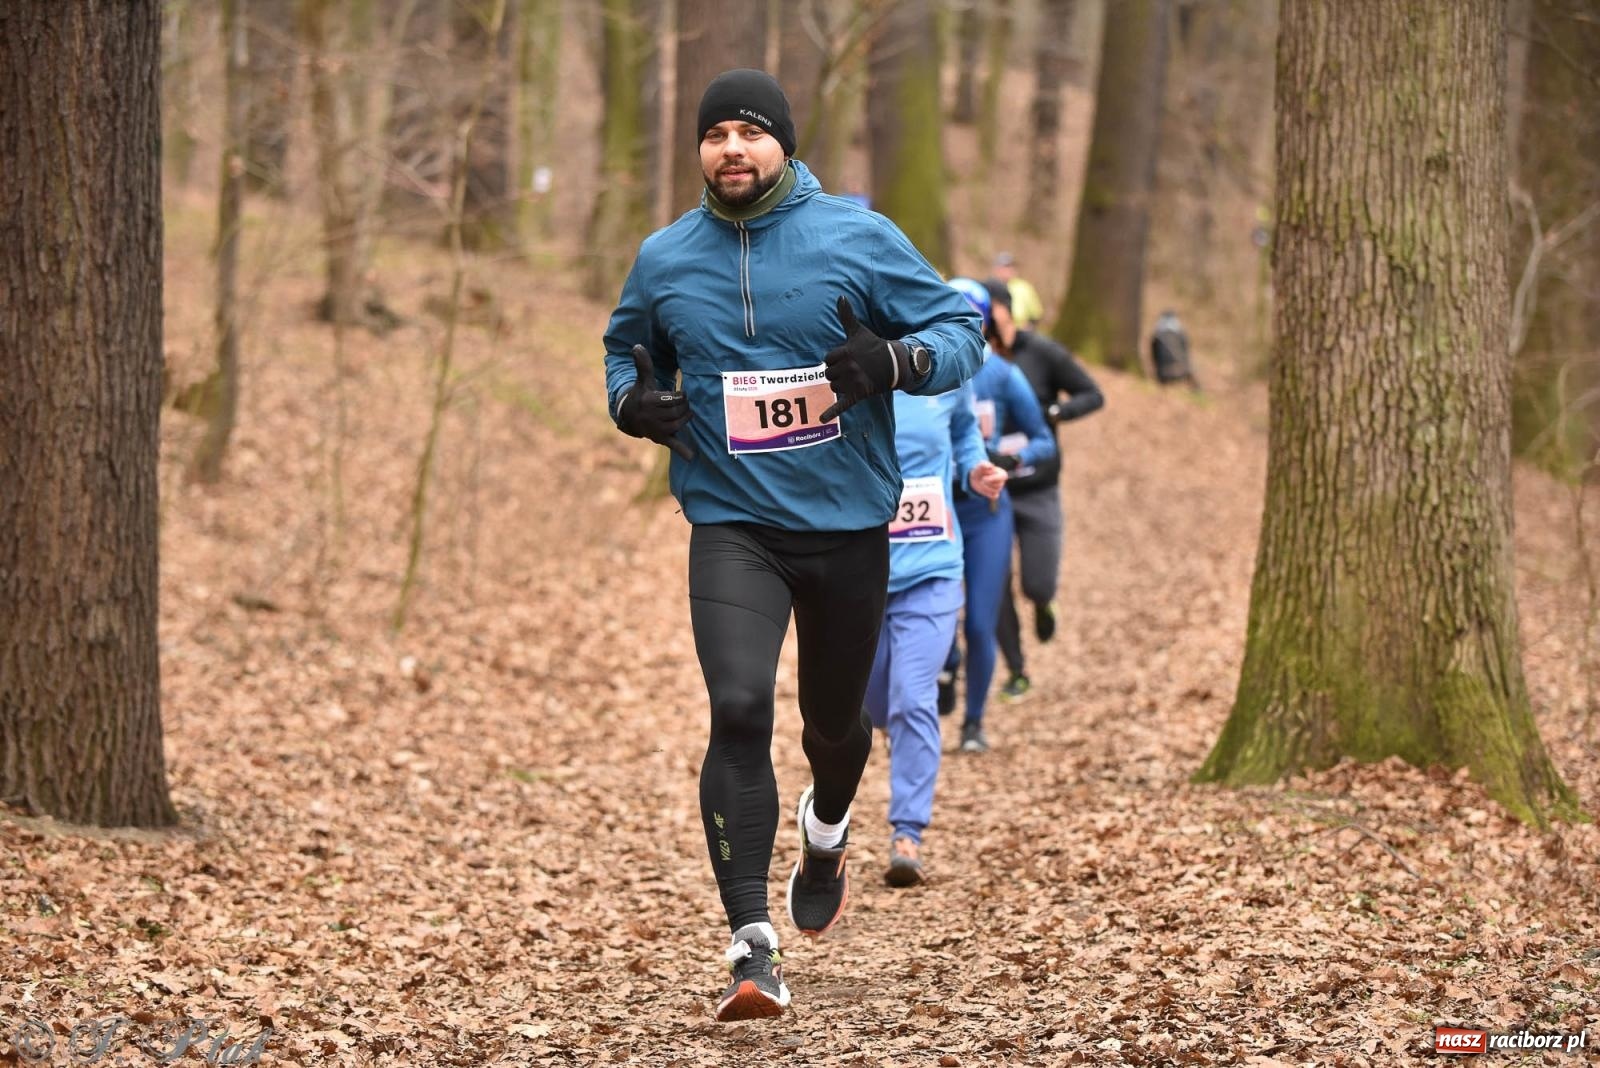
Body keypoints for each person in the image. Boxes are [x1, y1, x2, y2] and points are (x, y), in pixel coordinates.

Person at [601, 68, 984, 1023]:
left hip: (849, 525)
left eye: (750, 131)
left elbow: (961, 327)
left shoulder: (855, 237)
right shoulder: (664, 257)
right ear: (699, 151)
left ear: (784, 145)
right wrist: (632, 405)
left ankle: (826, 831)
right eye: (715, 133)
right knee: (737, 709)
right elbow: (622, 349)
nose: (732, 148)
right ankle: (750, 942)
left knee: (832, 729)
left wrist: (898, 360)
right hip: (731, 521)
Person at [863, 371, 1007, 886]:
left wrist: (974, 467)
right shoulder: (832, 371)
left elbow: (967, 429)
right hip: (858, 573)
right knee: (873, 702)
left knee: (912, 696)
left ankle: (907, 833)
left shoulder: (942, 373)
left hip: (932, 567)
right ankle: (893, 731)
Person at [937, 278, 1054, 755]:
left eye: (969, 315)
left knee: (981, 622)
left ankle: (974, 723)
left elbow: (1042, 439)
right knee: (938, 622)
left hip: (986, 513)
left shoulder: (1001, 375)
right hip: (934, 512)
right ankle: (947, 664)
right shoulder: (921, 372)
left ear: (985, 323)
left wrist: (1004, 457)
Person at [990, 281, 1105, 699]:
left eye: (991, 313)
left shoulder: (1042, 353)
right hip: (990, 494)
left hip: (1037, 485)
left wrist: (1056, 412)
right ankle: (1017, 670)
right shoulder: (970, 359)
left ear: (1005, 311)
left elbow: (1093, 394)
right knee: (994, 588)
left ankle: (1042, 603)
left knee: (1037, 582)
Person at [992, 252, 1045, 331]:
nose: (1007, 270)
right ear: (997, 269)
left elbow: (1036, 313)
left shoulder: (1024, 287)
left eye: (1010, 267)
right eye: (1004, 267)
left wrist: (1030, 326)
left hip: (1021, 331)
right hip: (997, 331)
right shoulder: (991, 287)